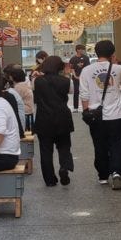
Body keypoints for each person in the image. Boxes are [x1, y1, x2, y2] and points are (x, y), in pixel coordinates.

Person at [80, 39, 121, 190]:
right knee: (117, 144)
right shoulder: (118, 69)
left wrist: (86, 112)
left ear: (96, 53)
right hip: (116, 115)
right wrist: (114, 63)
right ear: (112, 53)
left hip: (96, 115)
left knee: (99, 144)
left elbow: (84, 94)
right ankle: (116, 173)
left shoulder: (86, 70)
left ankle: (103, 175)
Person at [33, 55, 75, 186]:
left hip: (44, 119)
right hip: (62, 118)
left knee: (45, 150)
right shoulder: (66, 81)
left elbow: (35, 95)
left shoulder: (37, 81)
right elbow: (71, 92)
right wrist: (66, 75)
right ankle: (64, 167)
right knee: (64, 146)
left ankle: (50, 180)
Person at [8, 67, 35, 132]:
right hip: (29, 112)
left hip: (25, 113)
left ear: (13, 77)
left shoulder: (19, 87)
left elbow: (13, 100)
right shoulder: (24, 84)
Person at [69, 44, 90, 110]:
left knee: (86, 91)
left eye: (83, 49)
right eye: (81, 49)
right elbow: (72, 68)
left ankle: (88, 106)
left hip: (84, 78)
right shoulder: (73, 59)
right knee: (76, 91)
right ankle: (75, 107)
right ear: (77, 50)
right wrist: (75, 76)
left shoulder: (86, 58)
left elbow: (87, 68)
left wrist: (83, 76)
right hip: (76, 78)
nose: (82, 50)